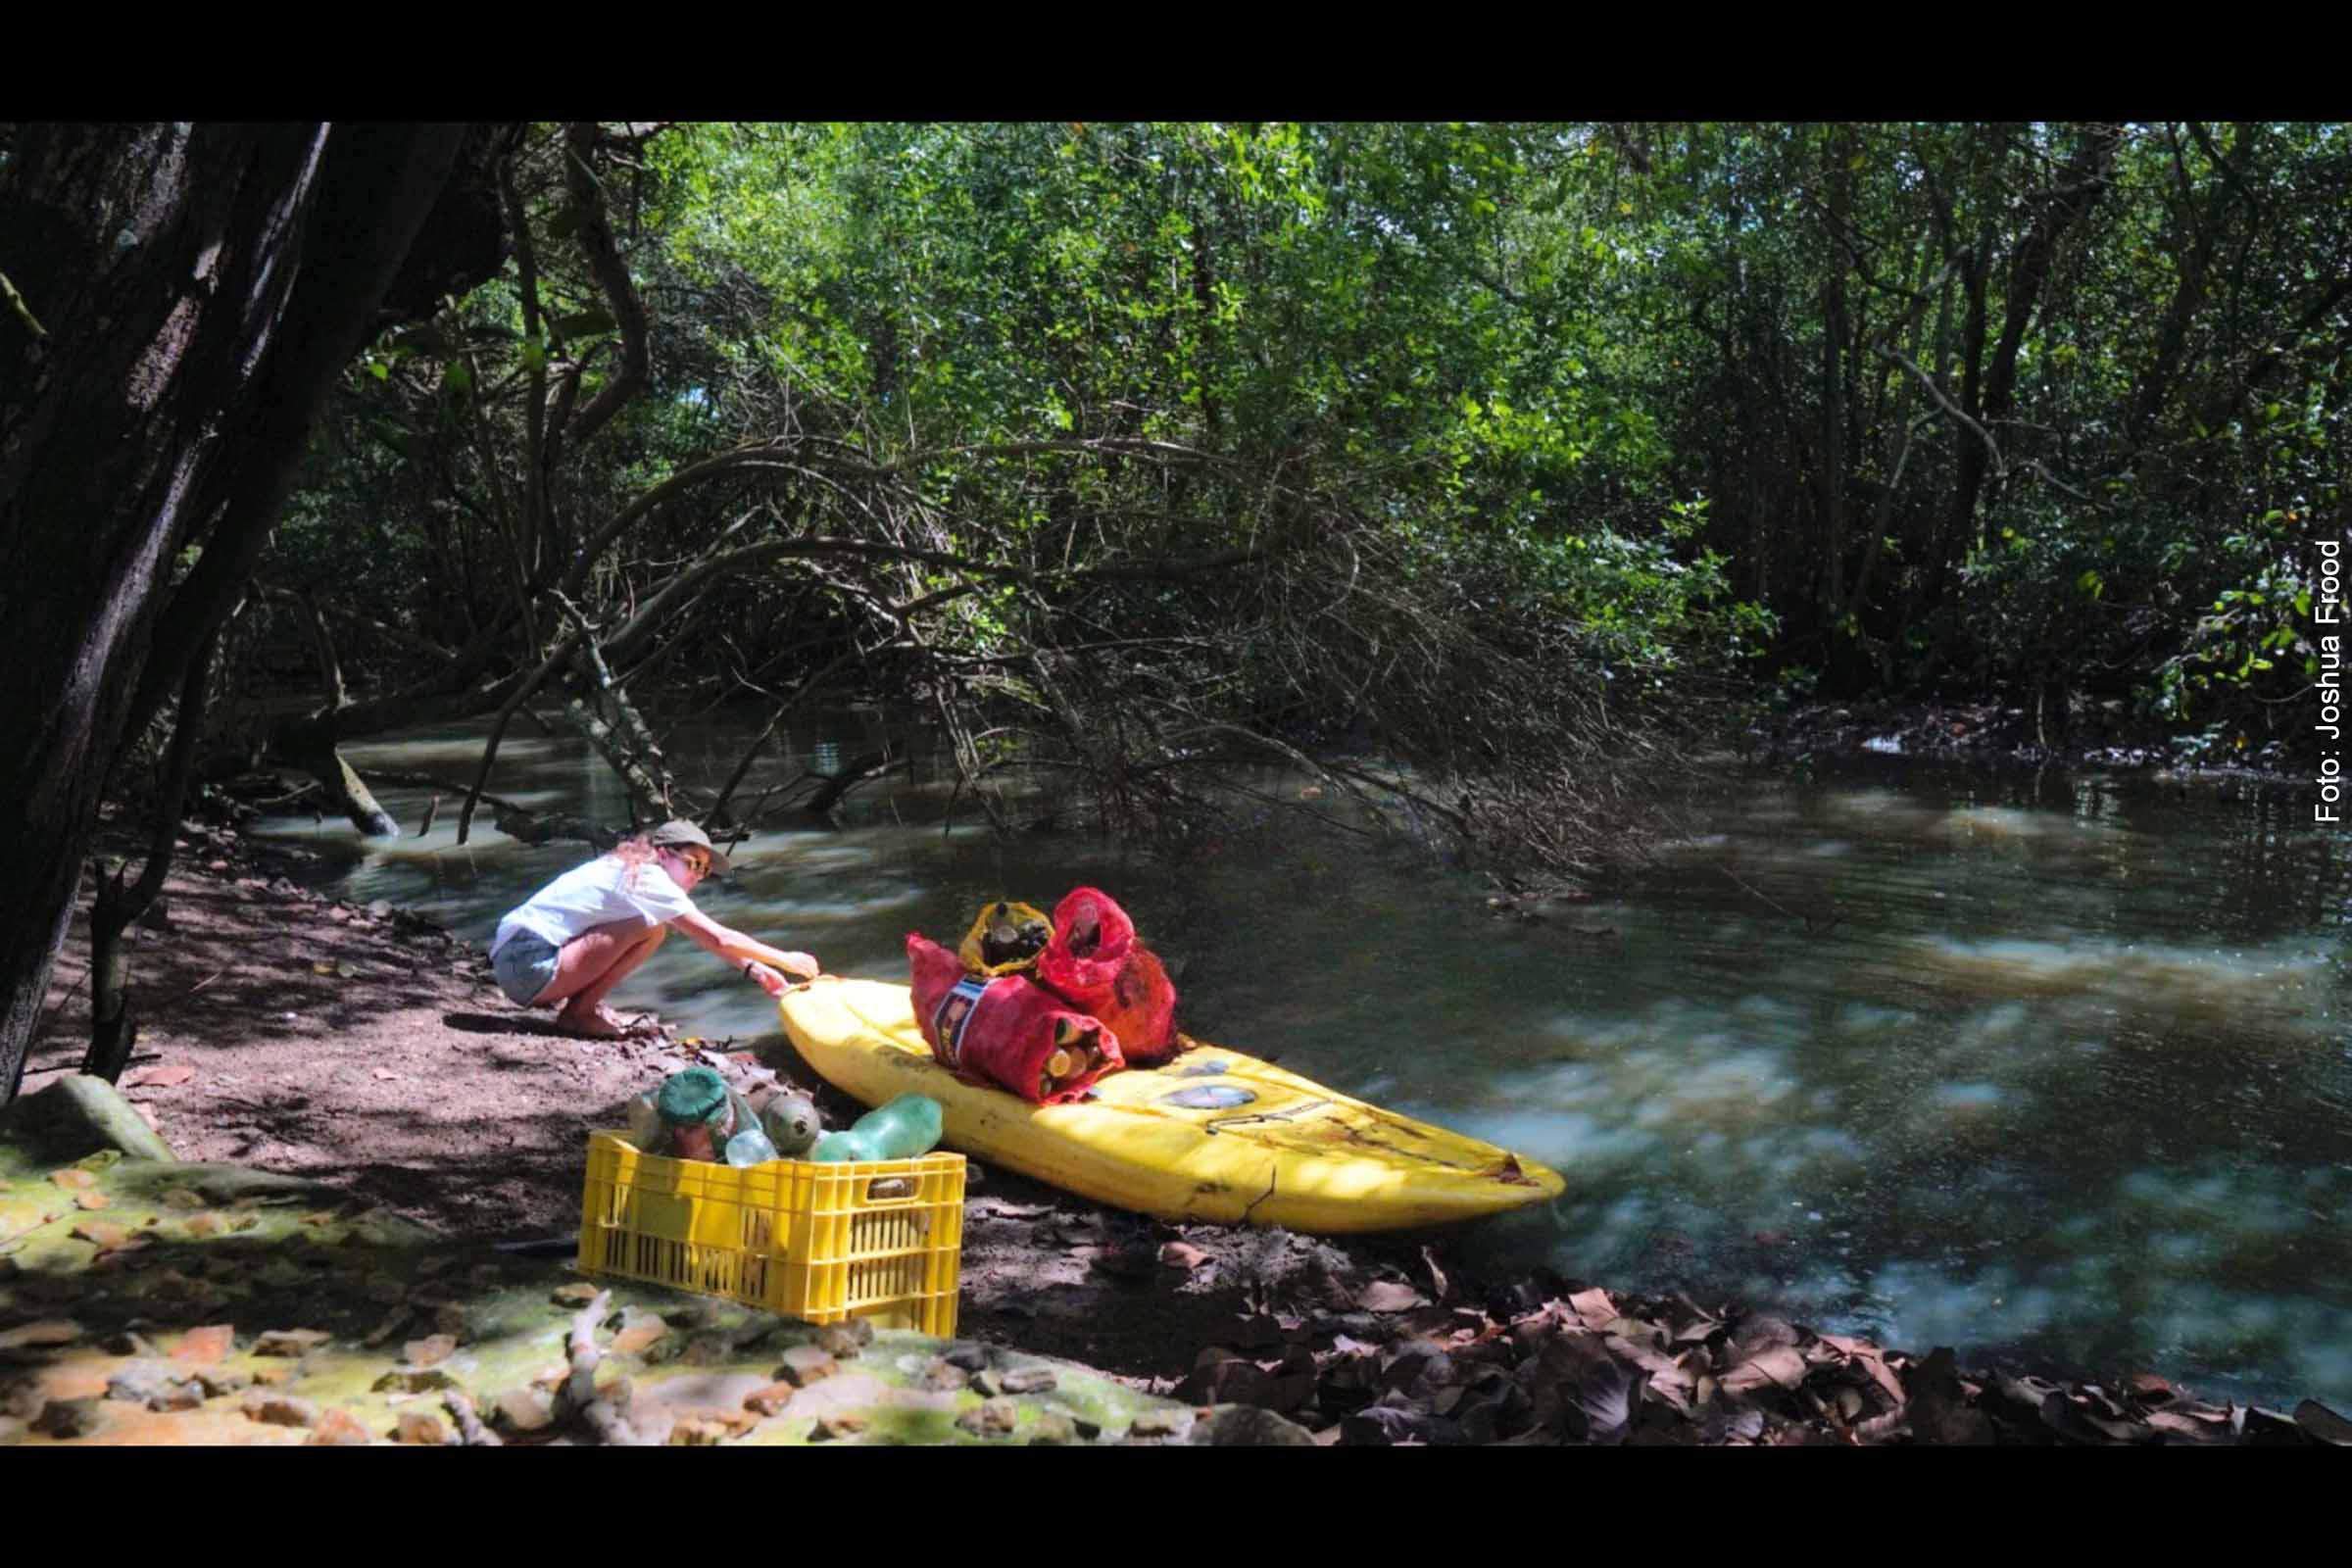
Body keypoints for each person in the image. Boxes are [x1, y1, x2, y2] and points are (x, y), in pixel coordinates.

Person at [488, 820, 818, 1039]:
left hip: (516, 962)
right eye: (694, 864)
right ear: (663, 854)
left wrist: (754, 969)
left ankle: (579, 1010)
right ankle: (579, 1014)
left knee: (653, 926)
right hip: (528, 966)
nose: (699, 875)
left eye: (705, 870)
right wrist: (784, 958)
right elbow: (719, 936)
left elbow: (709, 939)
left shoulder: (634, 870)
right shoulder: (652, 879)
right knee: (650, 929)